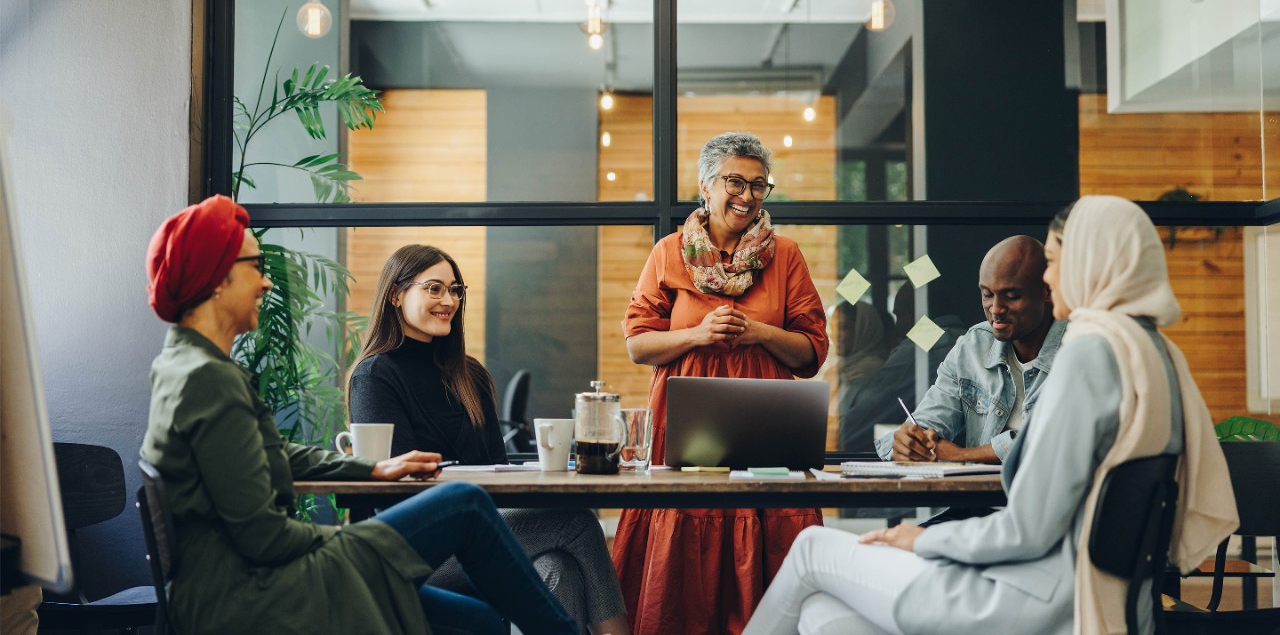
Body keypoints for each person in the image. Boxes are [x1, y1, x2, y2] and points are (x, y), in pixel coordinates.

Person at [741, 195, 1239, 635]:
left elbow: (1028, 529)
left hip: (1031, 596)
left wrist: (923, 541)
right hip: (1098, 594)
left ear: (1092, 261)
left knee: (810, 548)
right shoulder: (1153, 352)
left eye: (1056, 260)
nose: (1049, 277)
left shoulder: (1091, 353)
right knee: (823, 618)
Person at [140, 195, 577, 635]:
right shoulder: (207, 380)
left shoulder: (188, 366)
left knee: (482, 621)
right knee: (463, 503)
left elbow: (274, 453)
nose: (266, 284)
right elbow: (265, 538)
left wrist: (372, 466)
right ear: (217, 277)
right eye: (256, 266)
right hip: (251, 588)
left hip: (245, 575)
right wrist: (358, 545)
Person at [347, 244, 629, 635]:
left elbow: (499, 468)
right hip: (419, 548)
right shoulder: (375, 376)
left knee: (556, 569)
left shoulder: (469, 375)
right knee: (576, 522)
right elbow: (398, 493)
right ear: (396, 294)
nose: (449, 300)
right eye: (434, 289)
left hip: (479, 534)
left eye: (455, 289)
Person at [611, 132, 830, 635]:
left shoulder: (786, 255)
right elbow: (637, 344)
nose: (747, 195)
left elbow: (812, 352)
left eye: (759, 185)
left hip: (765, 424)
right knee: (688, 525)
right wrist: (696, 334)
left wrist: (758, 332)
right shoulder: (668, 253)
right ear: (705, 186)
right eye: (735, 181)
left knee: (766, 523)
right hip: (686, 421)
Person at [875, 235, 1066, 464]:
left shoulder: (1077, 349)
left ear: (1047, 291)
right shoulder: (973, 346)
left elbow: (1054, 441)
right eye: (987, 294)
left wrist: (961, 455)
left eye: (1012, 296)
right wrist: (909, 441)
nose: (996, 308)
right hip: (974, 499)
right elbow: (927, 422)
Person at [837, 285, 965, 454]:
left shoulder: (916, 352)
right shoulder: (967, 342)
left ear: (917, 312)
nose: (897, 326)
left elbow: (859, 425)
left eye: (899, 315)